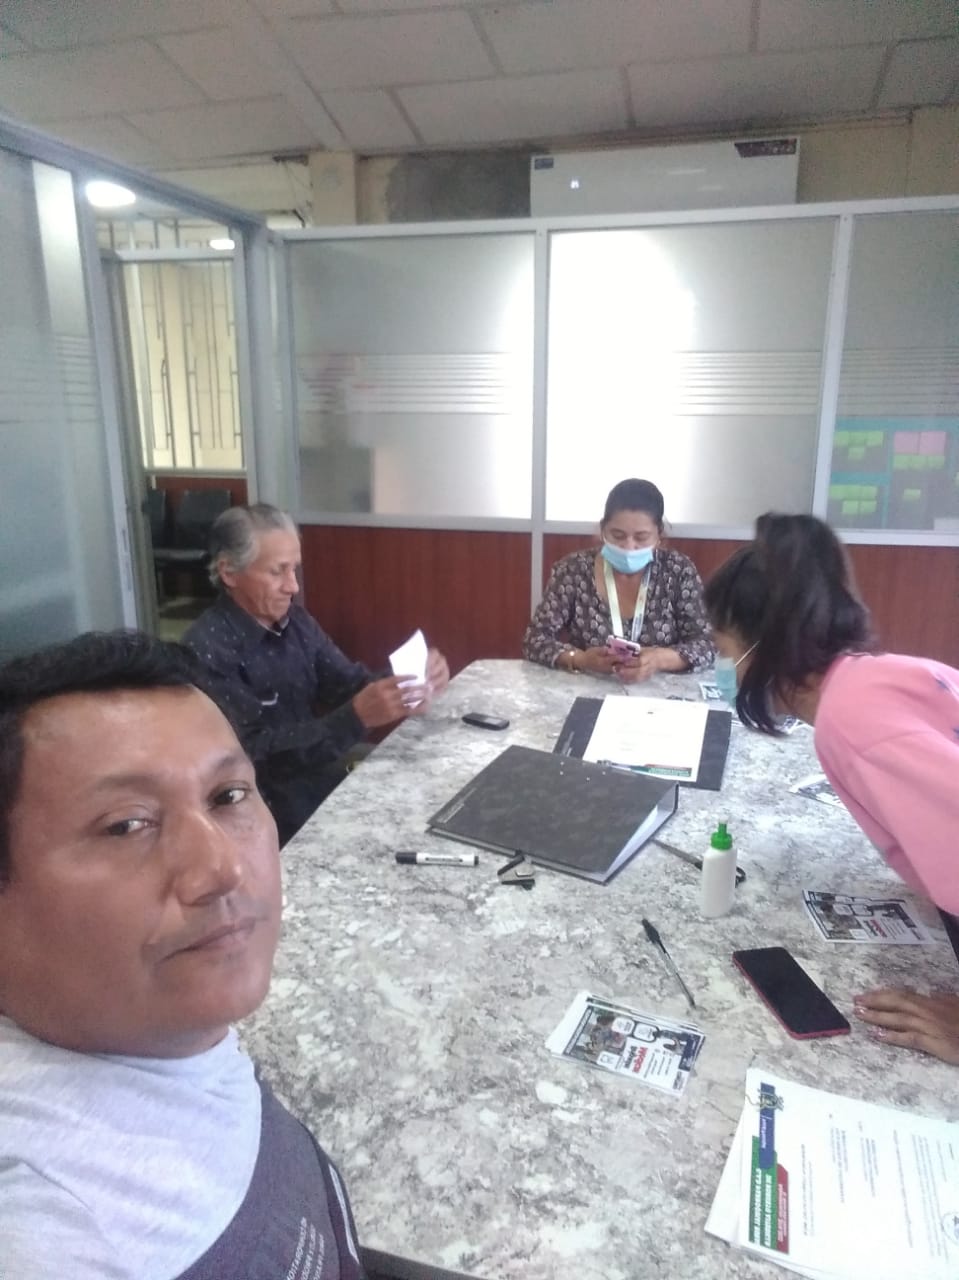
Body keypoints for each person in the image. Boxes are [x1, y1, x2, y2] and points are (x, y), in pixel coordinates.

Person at [0, 631, 367, 1278]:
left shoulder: (153, 1022)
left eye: (228, 796)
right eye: (126, 825)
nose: (222, 869)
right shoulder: (51, 1231)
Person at [704, 512, 959, 1066]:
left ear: (762, 647)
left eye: (724, 649)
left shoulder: (851, 722)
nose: (722, 667)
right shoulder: (883, 674)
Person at [184, 503, 450, 845]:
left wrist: (405, 679)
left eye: (294, 569)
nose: (292, 586)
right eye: (277, 572)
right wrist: (354, 718)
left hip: (317, 780)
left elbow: (347, 685)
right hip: (265, 813)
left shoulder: (296, 623)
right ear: (229, 573)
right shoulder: (207, 650)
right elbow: (253, 756)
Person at [522, 478, 714, 680]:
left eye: (641, 537)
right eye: (618, 535)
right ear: (603, 530)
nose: (629, 547)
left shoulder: (677, 571)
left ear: (659, 535)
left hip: (660, 691)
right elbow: (535, 639)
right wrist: (581, 659)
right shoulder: (573, 570)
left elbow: (708, 643)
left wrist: (659, 659)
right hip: (591, 686)